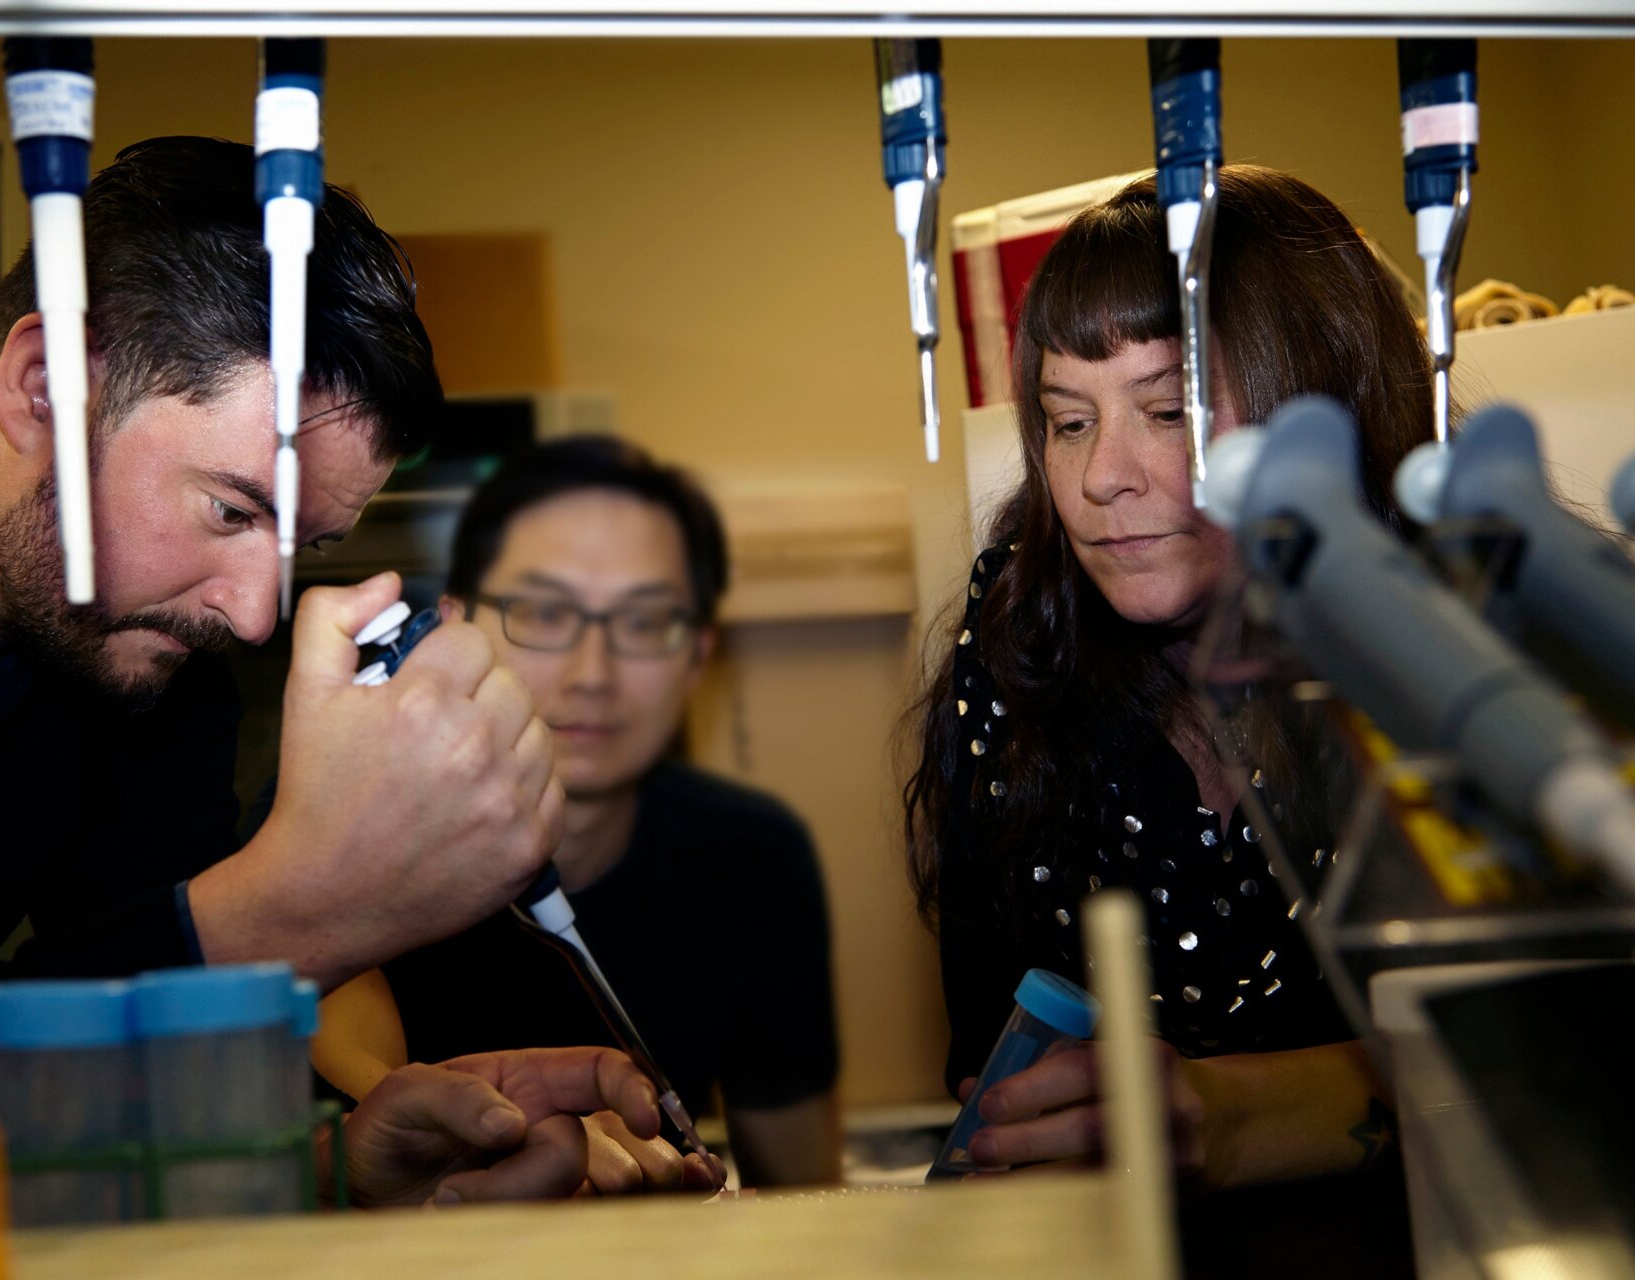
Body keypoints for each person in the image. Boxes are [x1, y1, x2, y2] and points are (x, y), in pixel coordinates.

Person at [0, 135, 674, 1203]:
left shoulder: (149, 662)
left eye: (301, 547)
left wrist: (335, 1160)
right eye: (230, 510)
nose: (254, 616)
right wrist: (292, 909)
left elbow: (67, 1085)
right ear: (44, 385)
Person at [903, 167, 1432, 1195]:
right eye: (1068, 421)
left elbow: (1558, 1055)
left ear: (1322, 414)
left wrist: (1234, 1115)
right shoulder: (1020, 643)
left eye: (1169, 409)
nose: (1102, 476)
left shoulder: (1474, 650)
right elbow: (994, 1059)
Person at [377, 436, 843, 1187]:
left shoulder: (751, 857)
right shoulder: (351, 837)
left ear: (697, 654)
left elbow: (802, 1192)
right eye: (543, 612)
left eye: (644, 622)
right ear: (454, 628)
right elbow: (339, 1111)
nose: (593, 674)